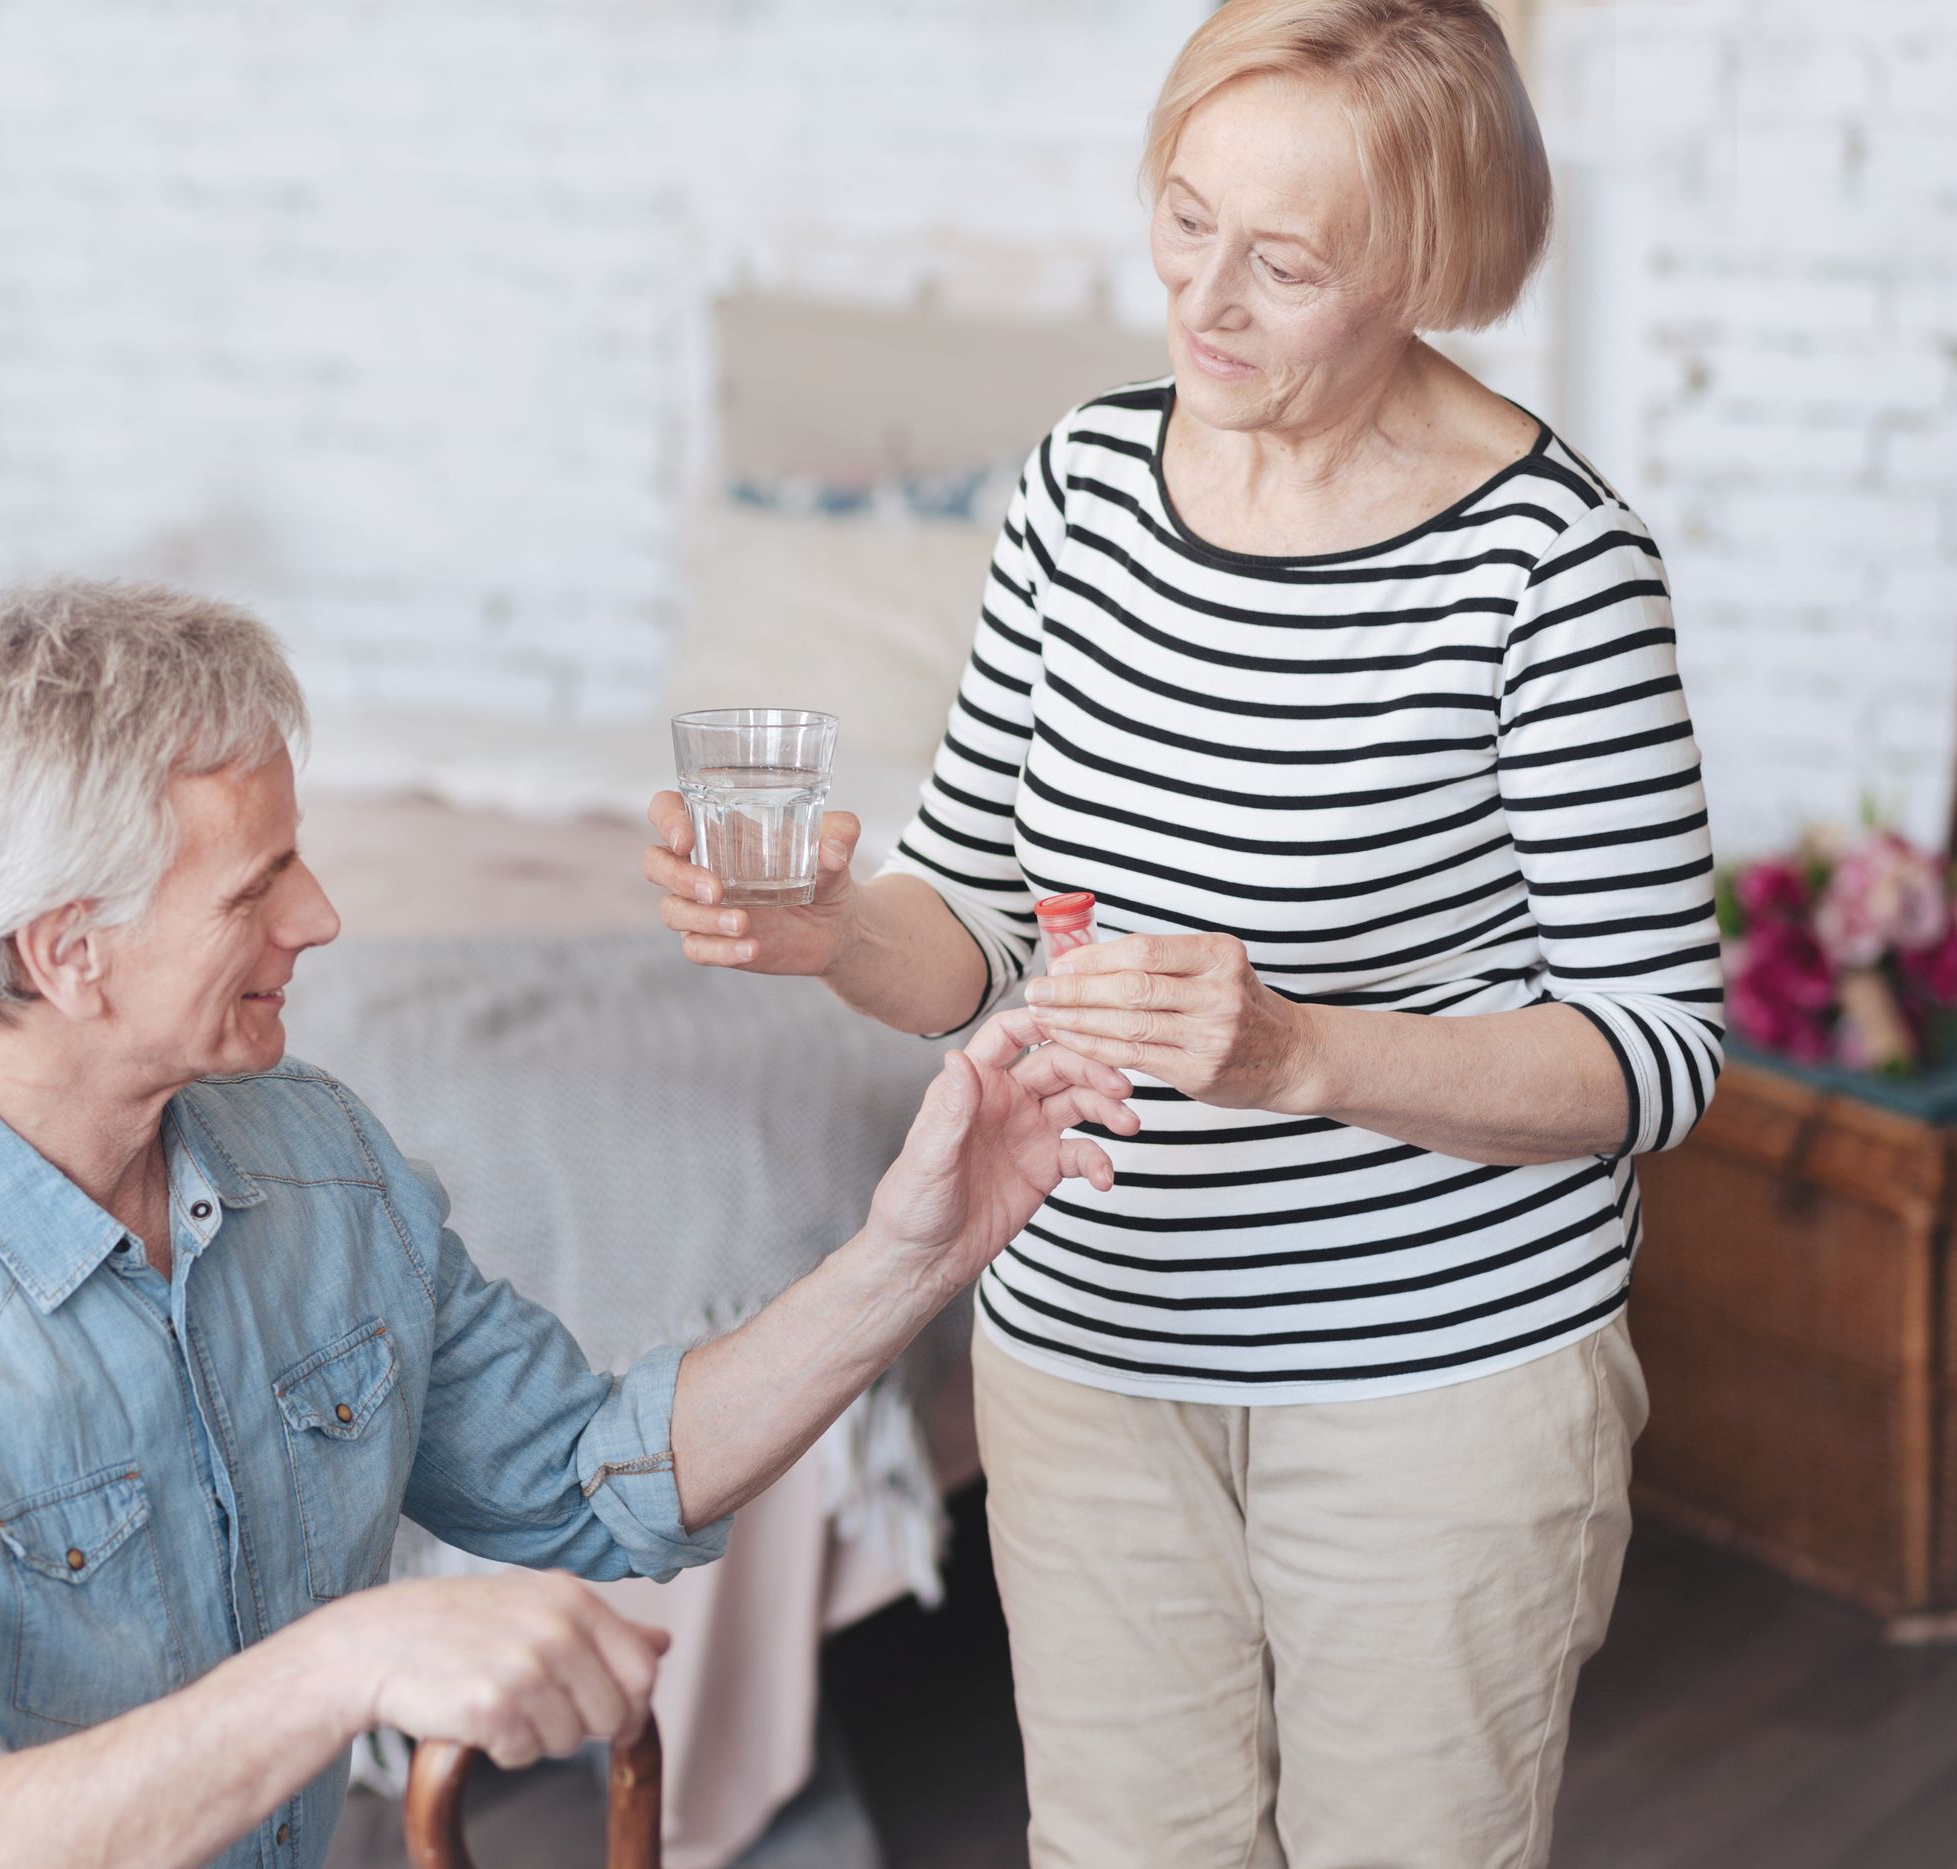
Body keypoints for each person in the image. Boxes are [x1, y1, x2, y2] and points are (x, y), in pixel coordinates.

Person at [641, 3, 1722, 1863]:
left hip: (1434, 1384)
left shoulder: (1553, 568)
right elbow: (978, 929)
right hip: (1086, 1347)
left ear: (1425, 270)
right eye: (1185, 218)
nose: (1204, 301)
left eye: (1284, 263)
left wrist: (1299, 1048)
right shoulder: (1077, 490)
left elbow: (1660, 1054)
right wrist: (833, 930)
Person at [0, 578, 1139, 1869]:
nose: (319, 917)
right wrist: (346, 1662)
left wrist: (912, 1255)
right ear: (68, 953)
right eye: (254, 887)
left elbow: (595, 1474)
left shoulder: (310, 1159)